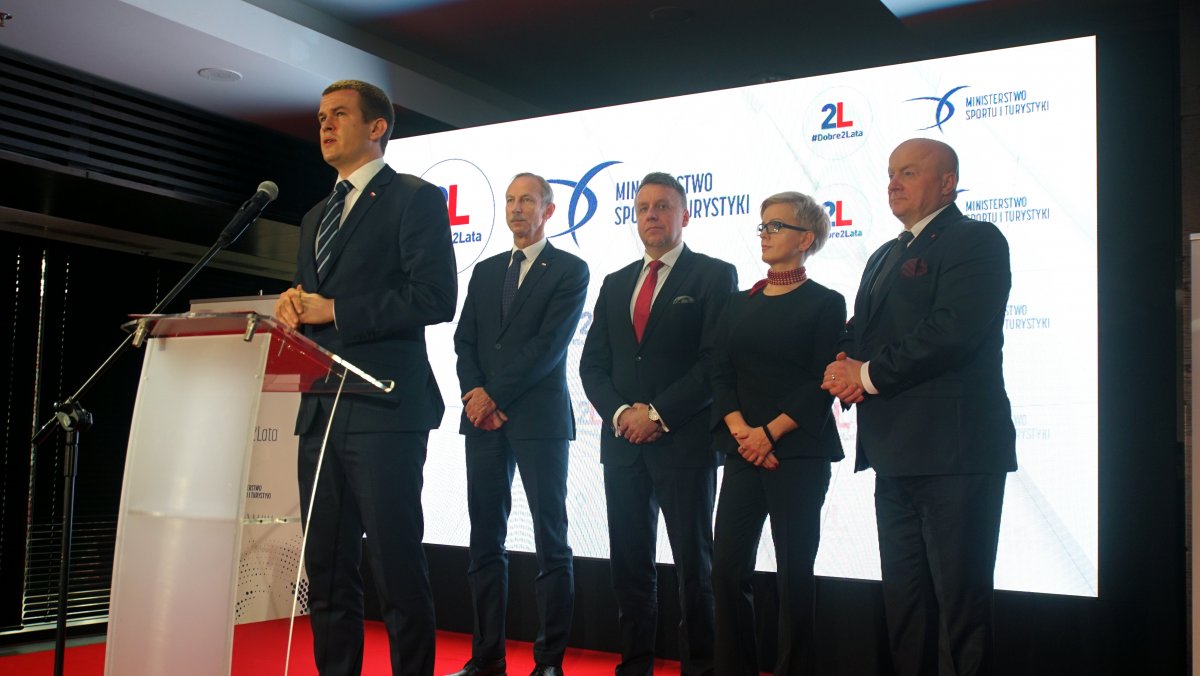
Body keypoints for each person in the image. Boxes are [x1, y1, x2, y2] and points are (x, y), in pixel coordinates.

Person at [274, 79, 457, 676]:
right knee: (327, 571)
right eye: (321, 117)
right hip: (321, 408)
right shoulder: (314, 216)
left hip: (384, 408)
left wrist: (336, 310)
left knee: (396, 569)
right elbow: (315, 301)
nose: (325, 126)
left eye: (340, 115)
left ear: (377, 127)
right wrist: (294, 307)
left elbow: (435, 296)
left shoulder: (414, 198)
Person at [822, 138, 1016, 676]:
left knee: (960, 611)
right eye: (890, 173)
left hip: (955, 455)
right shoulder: (884, 254)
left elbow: (952, 330)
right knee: (906, 608)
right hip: (894, 455)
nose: (893, 183)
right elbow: (862, 333)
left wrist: (865, 375)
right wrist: (839, 362)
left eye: (908, 172)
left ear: (947, 183)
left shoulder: (975, 239)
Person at [579, 172, 737, 676]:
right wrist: (623, 414)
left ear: (684, 215)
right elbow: (592, 365)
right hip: (623, 444)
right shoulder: (615, 282)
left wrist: (657, 415)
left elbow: (714, 362)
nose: (652, 214)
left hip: (683, 444)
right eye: (643, 207)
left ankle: (701, 667)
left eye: (663, 206)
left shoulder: (714, 275)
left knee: (695, 567)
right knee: (629, 565)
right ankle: (635, 664)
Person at [449, 173, 589, 676]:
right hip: (482, 420)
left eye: (527, 200)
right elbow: (465, 340)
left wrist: (495, 395)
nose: (515, 208)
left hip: (539, 419)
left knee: (551, 541)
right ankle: (487, 657)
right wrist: (475, 394)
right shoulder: (487, 271)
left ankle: (548, 662)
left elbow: (548, 346)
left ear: (548, 211)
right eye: (510, 199)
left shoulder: (570, 269)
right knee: (485, 540)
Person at [710, 192, 845, 676]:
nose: (764, 234)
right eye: (763, 226)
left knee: (794, 576)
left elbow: (822, 380)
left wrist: (769, 434)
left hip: (799, 454)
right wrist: (743, 433)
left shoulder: (826, 303)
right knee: (726, 572)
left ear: (805, 239)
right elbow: (720, 373)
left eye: (776, 226)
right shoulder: (736, 304)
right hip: (743, 451)